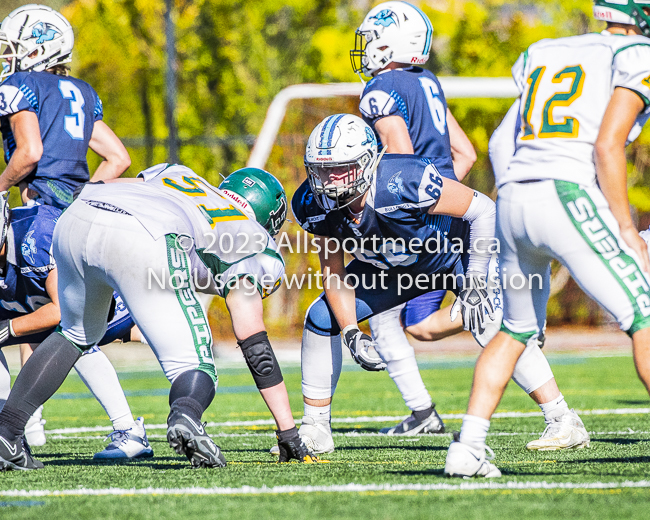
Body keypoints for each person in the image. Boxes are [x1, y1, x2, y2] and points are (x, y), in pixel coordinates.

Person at [349, 0, 588, 451]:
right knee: (456, 321)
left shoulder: (381, 88)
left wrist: (406, 210)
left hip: (417, 219)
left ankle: (318, 422)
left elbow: (399, 159)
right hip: (449, 213)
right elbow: (464, 153)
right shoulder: (427, 81)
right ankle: (554, 414)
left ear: (388, 43)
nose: (364, 51)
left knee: (361, 304)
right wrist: (449, 200)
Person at [444, 0, 650, 478]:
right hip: (565, 190)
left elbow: (499, 142)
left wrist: (518, 191)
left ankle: (468, 447)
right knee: (642, 313)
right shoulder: (636, 53)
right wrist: (623, 224)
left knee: (515, 329)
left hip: (515, 195)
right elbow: (607, 145)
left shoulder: (549, 50)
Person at [0, 163, 317, 470]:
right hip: (145, 232)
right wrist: (287, 432)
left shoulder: (182, 177)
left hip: (77, 218)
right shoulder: (253, 240)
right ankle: (186, 415)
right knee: (196, 364)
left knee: (75, 334)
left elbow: (101, 188)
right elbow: (254, 343)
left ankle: (6, 434)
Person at [293, 113, 498, 454]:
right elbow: (333, 271)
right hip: (394, 268)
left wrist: (475, 277)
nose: (330, 182)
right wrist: (351, 332)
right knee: (321, 316)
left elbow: (482, 209)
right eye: (322, 171)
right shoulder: (313, 202)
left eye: (340, 169)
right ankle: (315, 427)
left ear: (368, 163)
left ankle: (560, 415)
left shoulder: (402, 179)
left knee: (487, 321)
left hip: (446, 255)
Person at [0, 191, 153, 459]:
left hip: (106, 297)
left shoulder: (36, 235)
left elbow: (61, 311)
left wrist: (9, 329)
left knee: (73, 334)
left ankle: (129, 430)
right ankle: (6, 432)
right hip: (43, 303)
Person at [0, 4, 130, 208]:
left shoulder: (20, 83)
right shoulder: (83, 90)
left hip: (42, 207)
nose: (7, 56)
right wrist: (83, 202)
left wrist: (1, 186)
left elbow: (30, 152)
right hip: (75, 215)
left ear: (36, 52)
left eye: (12, 48)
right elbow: (119, 158)